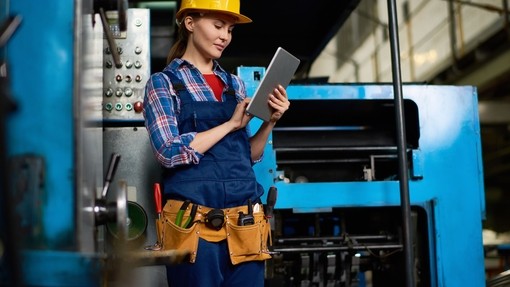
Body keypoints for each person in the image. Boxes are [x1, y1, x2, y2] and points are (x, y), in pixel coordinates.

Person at [142, 0, 290, 286]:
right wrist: (231, 124)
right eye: (218, 25)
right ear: (190, 23)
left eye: (230, 29)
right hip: (193, 226)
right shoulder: (163, 83)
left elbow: (247, 156)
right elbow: (168, 151)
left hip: (245, 224)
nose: (225, 36)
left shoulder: (235, 85)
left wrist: (271, 120)